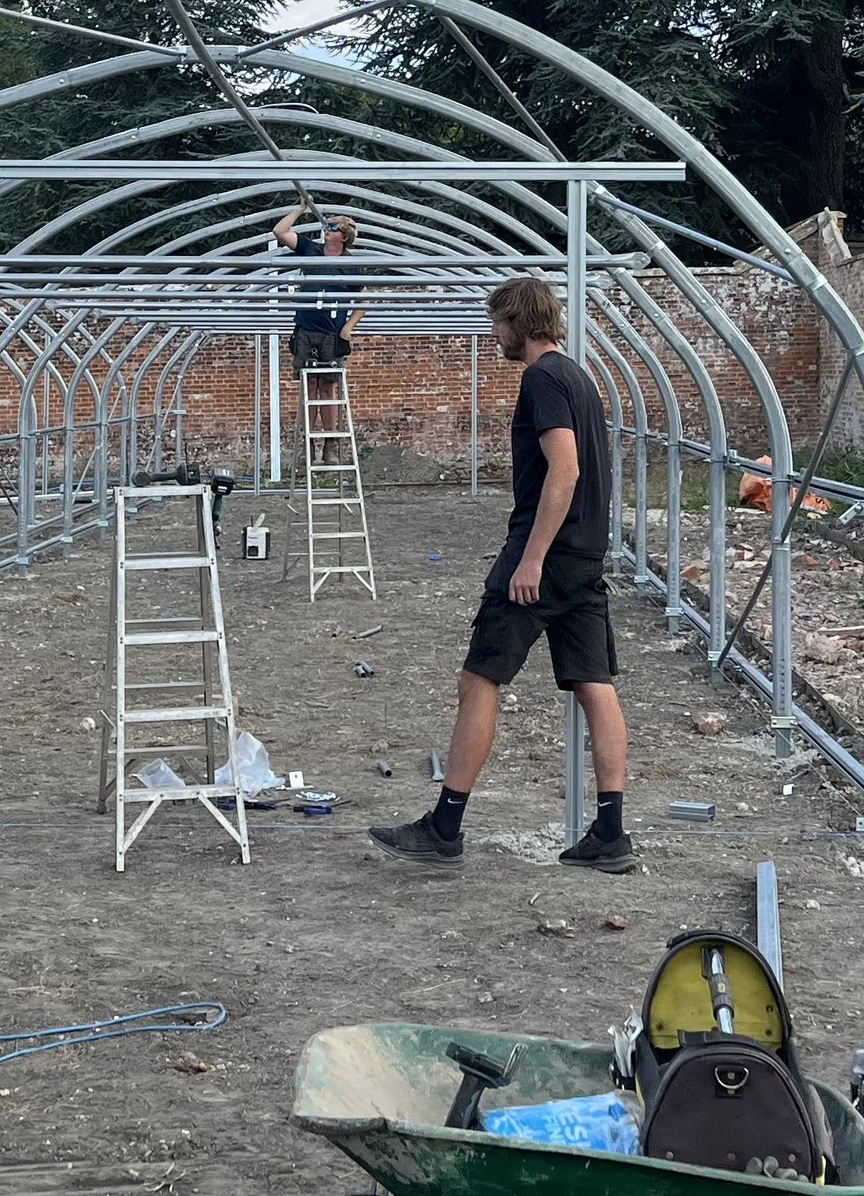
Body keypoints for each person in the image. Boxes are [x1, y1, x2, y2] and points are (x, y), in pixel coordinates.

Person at [371, 272, 634, 875]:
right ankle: (610, 833)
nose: (494, 335)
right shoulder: (579, 376)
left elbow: (564, 469)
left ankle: (445, 827)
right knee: (594, 683)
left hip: (546, 557)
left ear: (517, 321)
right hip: (585, 556)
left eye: (497, 323)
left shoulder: (542, 377)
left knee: (479, 678)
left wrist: (532, 558)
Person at [271, 202, 367, 369]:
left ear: (344, 238)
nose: (327, 230)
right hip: (305, 328)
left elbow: (364, 300)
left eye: (334, 228)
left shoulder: (350, 266)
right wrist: (301, 209)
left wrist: (347, 329)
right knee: (306, 376)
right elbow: (279, 232)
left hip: (332, 333)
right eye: (327, 226)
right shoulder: (311, 249)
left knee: (328, 379)